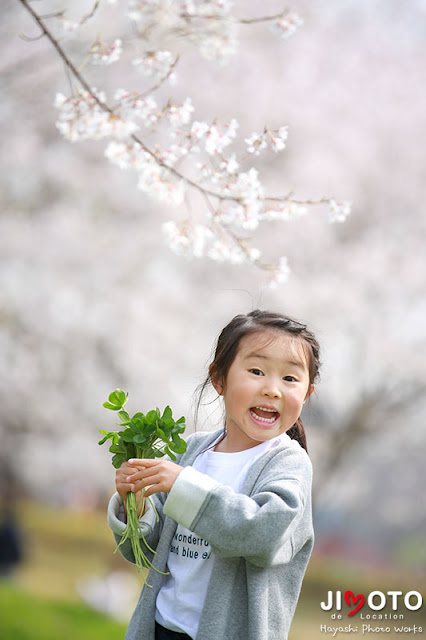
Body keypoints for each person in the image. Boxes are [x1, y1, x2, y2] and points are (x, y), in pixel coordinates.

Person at [107, 309, 321, 640]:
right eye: (256, 370)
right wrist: (134, 504)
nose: (272, 389)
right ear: (219, 379)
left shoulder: (287, 464)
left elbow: (262, 534)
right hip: (160, 627)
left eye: (290, 379)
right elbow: (148, 551)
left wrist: (183, 486)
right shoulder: (191, 453)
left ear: (306, 394)